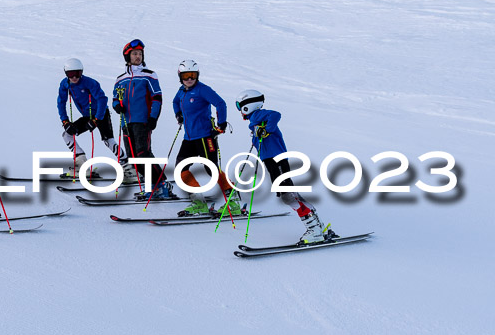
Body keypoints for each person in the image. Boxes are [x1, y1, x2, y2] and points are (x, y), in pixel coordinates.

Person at [235, 89, 339, 245]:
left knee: (287, 195)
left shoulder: (258, 115)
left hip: (276, 159)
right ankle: (318, 226)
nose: (239, 111)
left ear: (247, 105)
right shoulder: (255, 120)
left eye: (239, 106)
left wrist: (266, 130)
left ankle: (314, 230)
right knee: (291, 194)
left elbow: (276, 114)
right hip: (272, 159)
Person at [172, 60, 240, 216]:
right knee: (180, 169)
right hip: (188, 138)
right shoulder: (182, 91)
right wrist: (178, 114)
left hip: (204, 137)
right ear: (180, 77)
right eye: (186, 75)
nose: (189, 79)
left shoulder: (203, 90)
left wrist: (221, 125)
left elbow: (220, 104)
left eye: (193, 75)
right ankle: (199, 202)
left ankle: (233, 202)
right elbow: (175, 101)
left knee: (211, 169)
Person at [112, 39, 173, 199]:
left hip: (142, 121)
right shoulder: (121, 79)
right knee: (133, 157)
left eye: (139, 54)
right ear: (128, 56)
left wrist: (153, 117)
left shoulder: (149, 75)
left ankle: (159, 185)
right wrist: (117, 105)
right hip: (126, 122)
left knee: (143, 153)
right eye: (134, 54)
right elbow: (115, 98)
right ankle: (156, 185)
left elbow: (157, 98)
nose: (137, 56)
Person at [56, 58, 136, 181]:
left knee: (108, 140)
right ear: (66, 74)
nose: (74, 77)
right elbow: (61, 102)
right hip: (87, 116)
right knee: (67, 134)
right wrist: (65, 121)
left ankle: (128, 167)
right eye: (70, 74)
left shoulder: (90, 83)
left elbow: (102, 99)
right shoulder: (65, 84)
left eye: (77, 73)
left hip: (101, 113)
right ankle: (81, 164)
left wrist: (97, 119)